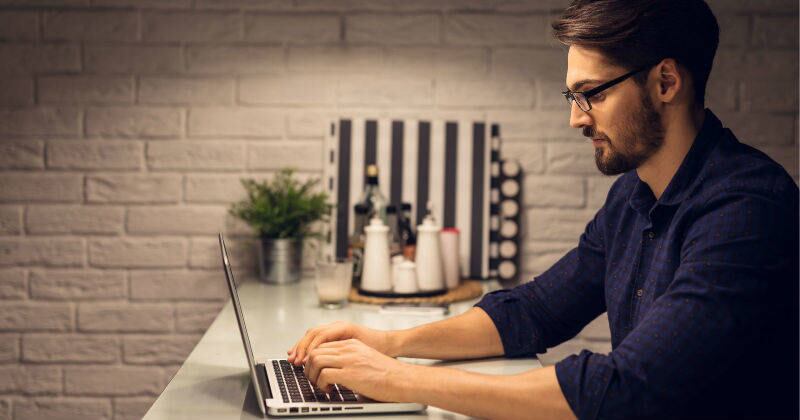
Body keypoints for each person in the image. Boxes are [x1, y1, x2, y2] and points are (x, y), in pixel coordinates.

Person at [287, 1, 799, 418]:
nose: (575, 120)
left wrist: (400, 381)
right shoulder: (633, 196)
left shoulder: (747, 211)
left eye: (590, 94)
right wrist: (390, 343)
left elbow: (629, 390)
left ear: (665, 83)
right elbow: (534, 312)